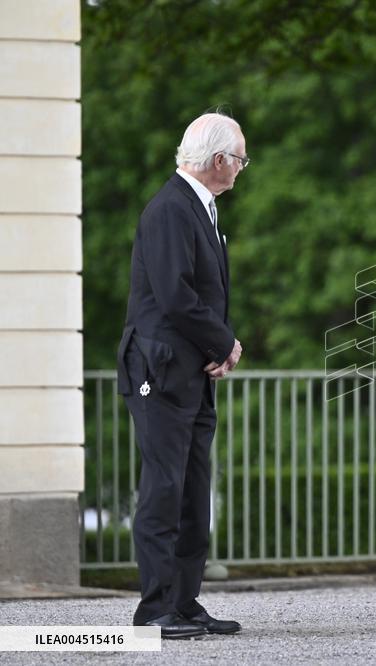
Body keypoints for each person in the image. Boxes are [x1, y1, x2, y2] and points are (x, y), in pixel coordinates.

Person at [116, 112, 247, 638]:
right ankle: (153, 611)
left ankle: (184, 601)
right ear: (219, 160)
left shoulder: (199, 207)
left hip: (188, 368)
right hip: (160, 369)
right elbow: (175, 295)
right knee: (164, 489)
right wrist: (225, 343)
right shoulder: (171, 208)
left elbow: (201, 294)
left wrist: (217, 347)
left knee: (193, 491)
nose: (241, 168)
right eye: (240, 159)